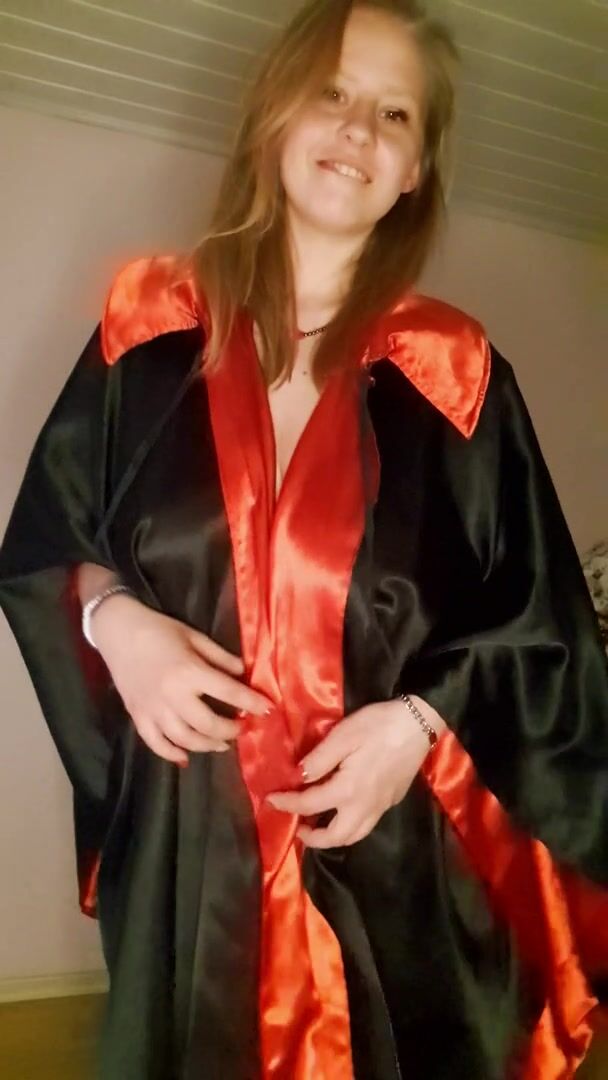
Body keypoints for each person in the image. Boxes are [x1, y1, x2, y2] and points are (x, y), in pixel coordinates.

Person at [1, 1, 607, 1077]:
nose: (359, 129)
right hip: (192, 860)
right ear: (275, 116)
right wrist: (114, 619)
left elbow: (541, 616)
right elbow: (50, 540)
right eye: (331, 92)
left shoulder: (457, 380)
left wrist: (415, 725)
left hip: (396, 858)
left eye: (395, 114)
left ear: (414, 170)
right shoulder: (145, 337)